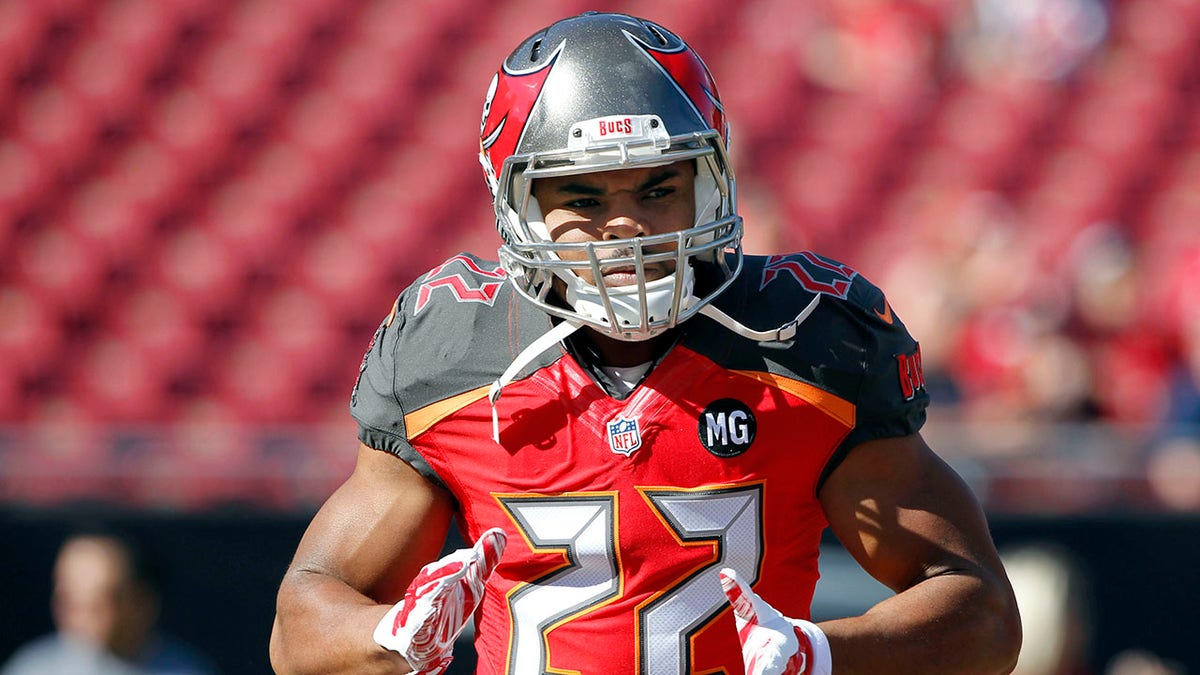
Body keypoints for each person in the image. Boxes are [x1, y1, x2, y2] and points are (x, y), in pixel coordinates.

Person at [270, 11, 1021, 675]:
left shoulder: (804, 345)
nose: (623, 225)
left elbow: (983, 615)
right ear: (518, 205)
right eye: (585, 197)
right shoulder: (454, 354)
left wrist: (825, 654)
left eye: (658, 188)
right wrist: (389, 635)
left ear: (710, 181)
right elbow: (298, 623)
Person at [2, 531, 217, 675]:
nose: (81, 611)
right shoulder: (32, 669)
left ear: (142, 603)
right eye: (69, 597)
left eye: (100, 599)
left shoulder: (186, 670)